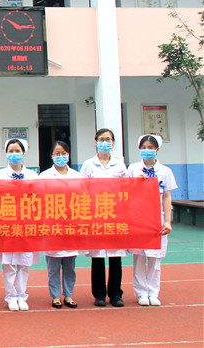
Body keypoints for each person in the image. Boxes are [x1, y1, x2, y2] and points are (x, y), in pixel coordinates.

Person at [0, 138, 40, 312]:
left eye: (17, 151)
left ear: (23, 153)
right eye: (10, 151)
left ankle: (22, 296)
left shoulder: (32, 175)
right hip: (7, 222)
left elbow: (38, 198)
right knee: (9, 263)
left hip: (26, 222)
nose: (14, 154)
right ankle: (11, 296)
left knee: (24, 262)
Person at [79, 128, 128, 308]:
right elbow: (82, 189)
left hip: (115, 215)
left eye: (108, 139)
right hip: (96, 214)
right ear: (96, 142)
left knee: (116, 256)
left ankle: (115, 294)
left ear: (113, 143)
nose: (105, 142)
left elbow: (127, 188)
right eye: (101, 139)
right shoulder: (89, 165)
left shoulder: (120, 165)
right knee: (98, 256)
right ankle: (99, 294)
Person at [127, 134, 176, 306]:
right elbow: (126, 192)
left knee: (155, 258)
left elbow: (167, 196)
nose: (147, 150)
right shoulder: (133, 169)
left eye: (150, 148)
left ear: (157, 149)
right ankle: (141, 293)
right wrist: (137, 182)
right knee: (139, 257)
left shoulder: (165, 171)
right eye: (144, 147)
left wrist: (168, 221)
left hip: (157, 218)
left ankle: (153, 292)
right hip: (139, 218)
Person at [39, 140, 81, 309]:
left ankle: (68, 295)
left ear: (68, 155)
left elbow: (84, 198)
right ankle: (55, 296)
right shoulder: (44, 176)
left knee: (70, 265)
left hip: (71, 225)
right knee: (53, 265)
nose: (60, 156)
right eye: (57, 153)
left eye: (63, 153)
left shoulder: (77, 176)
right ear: (51, 156)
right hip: (52, 225)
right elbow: (38, 200)